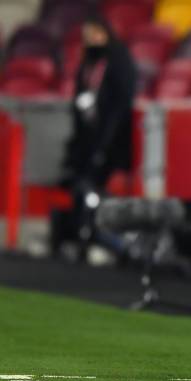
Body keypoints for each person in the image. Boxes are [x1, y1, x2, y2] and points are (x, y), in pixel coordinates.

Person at [51, 15, 136, 258]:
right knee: (80, 187)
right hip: (86, 141)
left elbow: (121, 102)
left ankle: (105, 239)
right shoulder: (87, 62)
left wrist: (104, 145)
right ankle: (82, 237)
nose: (91, 39)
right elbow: (79, 96)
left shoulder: (118, 59)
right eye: (87, 34)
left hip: (110, 142)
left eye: (95, 33)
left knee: (96, 190)